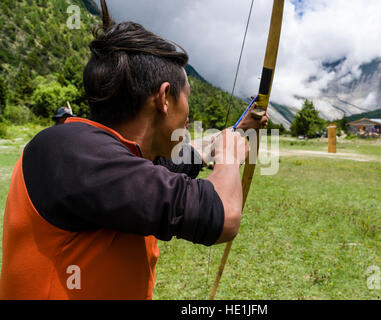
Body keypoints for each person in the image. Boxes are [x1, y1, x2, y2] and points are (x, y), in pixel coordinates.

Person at [0, 0, 268, 300]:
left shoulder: (101, 155)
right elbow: (223, 216)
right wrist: (231, 156)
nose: (189, 115)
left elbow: (182, 159)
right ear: (164, 98)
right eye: (187, 99)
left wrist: (235, 133)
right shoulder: (70, 152)